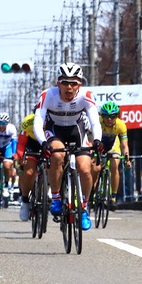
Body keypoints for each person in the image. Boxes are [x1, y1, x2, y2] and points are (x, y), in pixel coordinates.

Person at [33, 62, 102, 231]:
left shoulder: (86, 96)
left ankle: (84, 208)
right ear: (58, 83)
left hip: (76, 130)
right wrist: (43, 143)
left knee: (85, 169)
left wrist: (98, 140)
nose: (69, 87)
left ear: (80, 84)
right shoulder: (48, 95)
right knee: (57, 156)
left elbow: (94, 122)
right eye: (65, 82)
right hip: (54, 130)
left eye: (73, 83)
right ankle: (56, 198)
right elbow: (38, 122)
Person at [94, 100, 132, 212]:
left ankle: (113, 197)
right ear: (102, 116)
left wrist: (127, 158)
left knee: (114, 165)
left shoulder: (121, 125)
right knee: (95, 167)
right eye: (106, 116)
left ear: (117, 116)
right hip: (99, 145)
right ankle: (93, 192)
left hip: (114, 146)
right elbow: (91, 141)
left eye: (112, 116)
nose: (109, 119)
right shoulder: (97, 122)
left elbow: (124, 145)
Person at [15, 111, 43, 221]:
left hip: (48, 142)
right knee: (29, 172)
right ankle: (25, 201)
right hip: (32, 144)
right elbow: (21, 143)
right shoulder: (28, 121)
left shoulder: (55, 117)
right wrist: (21, 156)